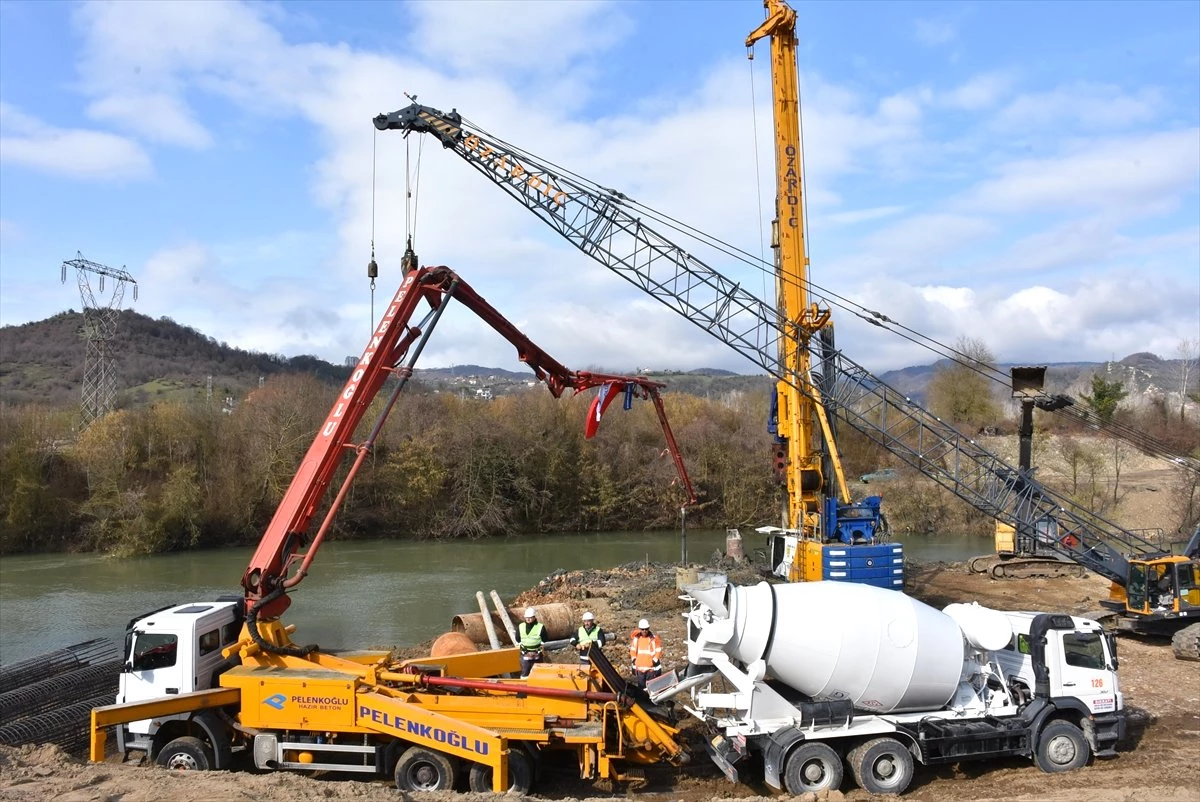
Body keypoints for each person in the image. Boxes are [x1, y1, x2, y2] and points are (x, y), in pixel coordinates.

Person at [629, 618, 663, 688]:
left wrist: (654, 660)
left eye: (646, 629)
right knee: (641, 688)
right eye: (642, 629)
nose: (644, 631)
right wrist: (634, 660)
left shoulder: (654, 639)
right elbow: (633, 651)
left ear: (648, 628)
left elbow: (658, 650)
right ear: (640, 629)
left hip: (650, 670)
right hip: (640, 669)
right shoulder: (636, 639)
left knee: (651, 688)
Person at [517, 607, 545, 678]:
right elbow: (517, 638)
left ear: (534, 617)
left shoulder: (540, 627)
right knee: (525, 672)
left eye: (530, 617)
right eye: (527, 618)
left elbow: (545, 638)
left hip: (537, 653)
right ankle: (524, 687)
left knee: (538, 672)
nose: (528, 619)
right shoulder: (521, 626)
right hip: (525, 653)